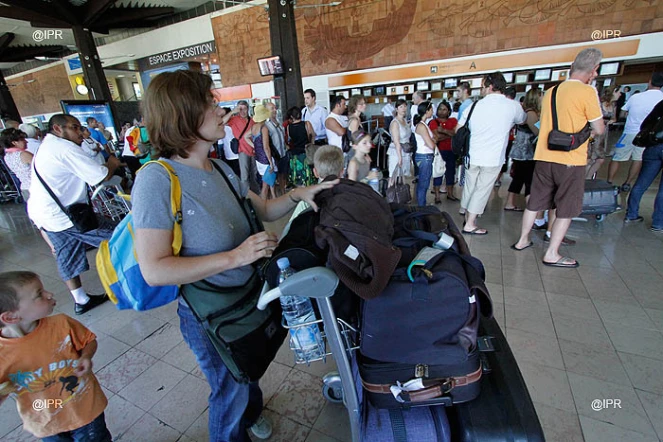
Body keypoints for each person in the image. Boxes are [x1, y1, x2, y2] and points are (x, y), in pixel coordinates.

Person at [132, 70, 337, 442]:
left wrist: (302, 194)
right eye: (210, 103)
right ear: (184, 113)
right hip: (210, 315)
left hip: (247, 297)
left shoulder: (221, 168)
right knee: (229, 391)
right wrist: (235, 257)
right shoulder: (156, 179)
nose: (220, 110)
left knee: (249, 367)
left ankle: (252, 411)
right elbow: (154, 270)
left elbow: (266, 209)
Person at [513, 48, 605, 268]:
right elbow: (599, 129)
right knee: (566, 206)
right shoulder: (588, 92)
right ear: (594, 71)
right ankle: (552, 253)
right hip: (571, 158)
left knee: (535, 202)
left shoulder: (551, 92)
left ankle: (522, 240)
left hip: (544, 155)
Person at [0, 271, 111, 442]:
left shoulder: (62, 324)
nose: (49, 294)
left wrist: (86, 356)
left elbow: (88, 341)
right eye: (39, 294)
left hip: (85, 408)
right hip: (46, 420)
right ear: (10, 316)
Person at [28, 114, 121, 314]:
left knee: (65, 254)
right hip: (68, 216)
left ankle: (81, 300)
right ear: (58, 129)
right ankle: (142, 278)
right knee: (121, 236)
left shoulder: (47, 146)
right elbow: (99, 175)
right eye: (75, 127)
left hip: (46, 215)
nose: (80, 132)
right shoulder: (64, 148)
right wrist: (112, 163)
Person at [457, 72, 527, 235]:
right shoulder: (513, 106)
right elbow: (523, 120)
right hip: (493, 157)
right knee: (482, 189)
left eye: (482, 86)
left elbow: (458, 129)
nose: (481, 90)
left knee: (470, 186)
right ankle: (470, 223)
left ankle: (467, 215)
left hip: (472, 155)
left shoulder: (474, 106)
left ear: (489, 86)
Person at [607, 72, 663, 192]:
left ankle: (609, 181)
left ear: (650, 82)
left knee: (617, 157)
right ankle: (627, 184)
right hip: (646, 136)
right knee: (638, 159)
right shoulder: (661, 99)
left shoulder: (636, 97)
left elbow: (622, 113)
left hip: (629, 132)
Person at [624, 99, 663, 232]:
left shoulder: (661, 104)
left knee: (641, 184)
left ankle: (631, 214)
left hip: (653, 147)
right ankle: (658, 223)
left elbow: (645, 124)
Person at [505, 88, 541, 211]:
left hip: (521, 151)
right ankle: (531, 208)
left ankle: (510, 203)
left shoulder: (526, 111)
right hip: (526, 152)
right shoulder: (531, 113)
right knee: (528, 179)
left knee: (518, 178)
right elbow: (537, 131)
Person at [223, 100, 258, 194]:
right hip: (242, 151)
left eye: (244, 109)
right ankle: (246, 195)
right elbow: (222, 122)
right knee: (244, 176)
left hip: (253, 150)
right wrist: (232, 112)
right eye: (240, 109)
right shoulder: (234, 119)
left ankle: (255, 195)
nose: (242, 111)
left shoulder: (252, 121)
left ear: (248, 109)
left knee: (254, 175)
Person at [244, 105, 277, 200]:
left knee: (268, 183)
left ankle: (271, 203)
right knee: (265, 187)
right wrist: (271, 162)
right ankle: (262, 208)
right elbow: (266, 147)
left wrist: (254, 146)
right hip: (265, 159)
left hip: (258, 159)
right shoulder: (264, 128)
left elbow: (246, 137)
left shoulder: (253, 127)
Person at [586, 86, 620, 179]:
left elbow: (614, 118)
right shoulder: (599, 105)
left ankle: (588, 178)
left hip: (604, 133)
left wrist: (611, 121)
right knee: (590, 157)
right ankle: (583, 179)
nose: (620, 94)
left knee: (600, 158)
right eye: (618, 92)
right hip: (594, 132)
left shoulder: (613, 105)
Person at [428, 101, 458, 203]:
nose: (442, 111)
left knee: (451, 172)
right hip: (439, 151)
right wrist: (449, 134)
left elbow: (455, 133)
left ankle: (450, 194)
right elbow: (437, 137)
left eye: (444, 109)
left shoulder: (453, 121)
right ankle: (437, 196)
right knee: (438, 172)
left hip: (451, 150)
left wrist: (443, 130)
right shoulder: (433, 122)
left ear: (448, 111)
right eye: (440, 109)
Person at [286, 106, 316, 187]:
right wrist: (311, 143)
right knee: (308, 176)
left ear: (291, 117)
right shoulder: (307, 124)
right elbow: (313, 135)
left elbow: (289, 140)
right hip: (306, 153)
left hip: (295, 155)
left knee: (298, 178)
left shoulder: (289, 127)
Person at [413, 101, 436, 206]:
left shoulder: (423, 125)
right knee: (423, 183)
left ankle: (421, 204)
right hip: (424, 157)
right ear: (426, 111)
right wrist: (433, 141)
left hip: (424, 156)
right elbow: (431, 145)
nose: (432, 111)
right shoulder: (422, 126)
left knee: (423, 182)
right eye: (431, 110)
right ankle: (421, 207)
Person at [495, 86, 518, 188]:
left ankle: (495, 179)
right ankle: (496, 179)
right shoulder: (515, 107)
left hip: (501, 138)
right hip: (507, 139)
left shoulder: (500, 106)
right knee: (502, 160)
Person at [0, 128, 33, 197]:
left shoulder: (7, 156)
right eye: (22, 139)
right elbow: (42, 167)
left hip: (24, 188)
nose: (26, 141)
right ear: (14, 142)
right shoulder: (24, 154)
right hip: (36, 187)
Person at [264, 102, 287, 193]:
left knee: (282, 175)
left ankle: (283, 192)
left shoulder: (278, 121)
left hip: (283, 153)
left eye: (275, 108)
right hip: (274, 155)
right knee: (273, 178)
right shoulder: (266, 125)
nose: (275, 110)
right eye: (272, 108)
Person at [387, 99, 413, 177]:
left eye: (405, 106)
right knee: (394, 177)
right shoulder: (395, 123)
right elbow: (396, 142)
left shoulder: (404, 121)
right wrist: (399, 157)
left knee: (402, 177)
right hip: (396, 152)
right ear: (396, 109)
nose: (404, 109)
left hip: (406, 151)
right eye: (401, 107)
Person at [219, 107, 240, 177]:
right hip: (236, 154)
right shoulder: (226, 127)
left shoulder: (222, 128)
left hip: (230, 155)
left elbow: (220, 144)